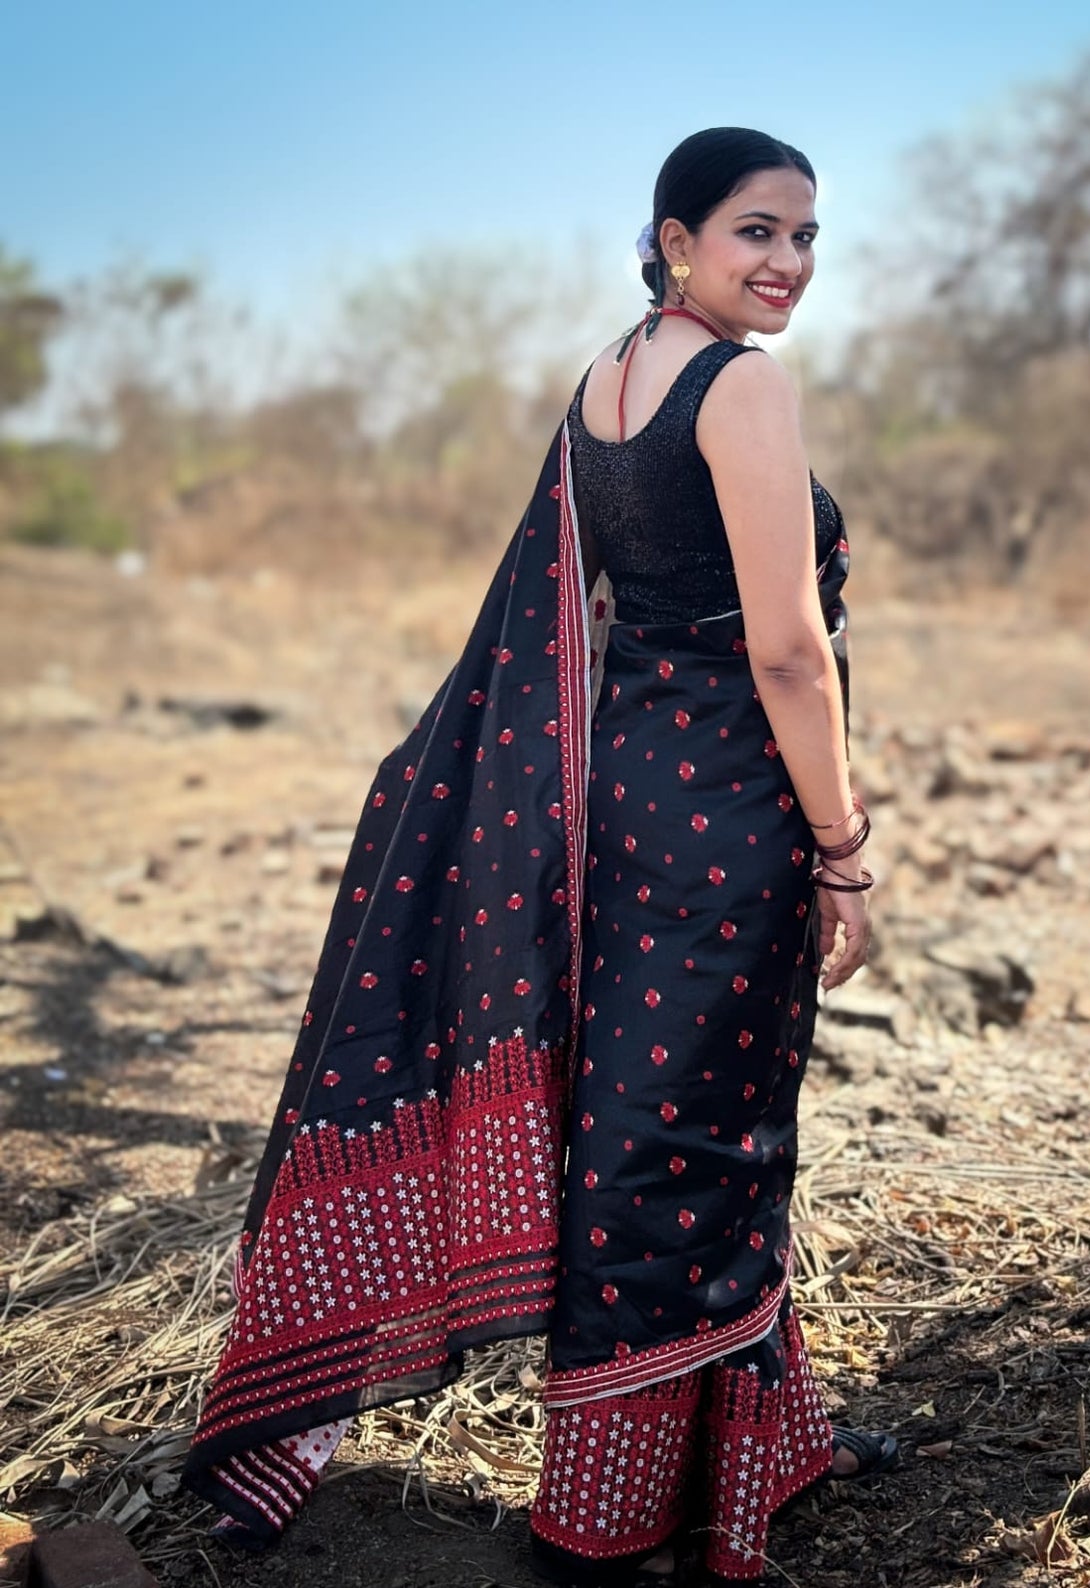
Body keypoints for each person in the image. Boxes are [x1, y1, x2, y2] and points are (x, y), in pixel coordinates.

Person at [182, 127, 896, 1588]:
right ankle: (606, 1516)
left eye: (807, 236)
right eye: (756, 231)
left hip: (620, 797)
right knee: (697, 1138)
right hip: (723, 811)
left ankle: (755, 1450)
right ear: (675, 239)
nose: (787, 263)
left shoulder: (606, 380)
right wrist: (842, 847)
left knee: (650, 1116)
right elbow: (786, 649)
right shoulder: (743, 388)